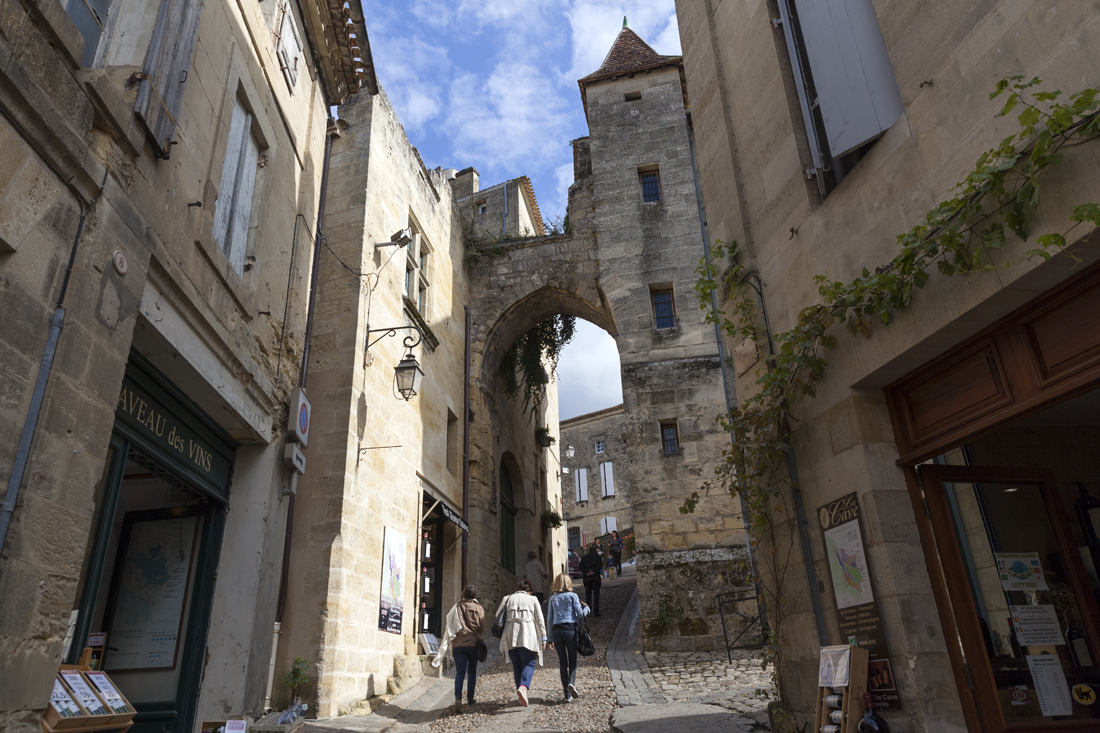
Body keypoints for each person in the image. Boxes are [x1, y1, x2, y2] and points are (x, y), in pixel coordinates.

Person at [495, 578, 547, 707]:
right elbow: (539, 619)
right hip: (527, 635)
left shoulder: (507, 598)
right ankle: (523, 687)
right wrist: (543, 637)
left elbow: (497, 615)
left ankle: (520, 695)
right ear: (530, 591)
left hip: (510, 635)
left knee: (517, 665)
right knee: (529, 662)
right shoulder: (533, 599)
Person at [432, 584, 485, 710]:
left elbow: (449, 623)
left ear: (463, 594)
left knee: (459, 672)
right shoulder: (478, 608)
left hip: (459, 645)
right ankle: (470, 698)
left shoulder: (456, 607)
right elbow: (482, 627)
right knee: (472, 672)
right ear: (475, 594)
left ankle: (457, 698)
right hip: (473, 644)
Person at [546, 573, 589, 703]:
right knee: (573, 659)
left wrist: (550, 638)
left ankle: (567, 694)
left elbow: (549, 619)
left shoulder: (553, 599)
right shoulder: (573, 596)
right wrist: (587, 608)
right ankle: (571, 682)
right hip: (570, 629)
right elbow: (580, 615)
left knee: (563, 662)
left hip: (557, 630)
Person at [579, 544, 603, 616]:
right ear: (595, 551)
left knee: (588, 594)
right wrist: (594, 571)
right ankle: (596, 611)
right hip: (595, 577)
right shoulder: (597, 557)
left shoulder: (584, 557)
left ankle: (588, 610)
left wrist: (586, 572)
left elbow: (580, 566)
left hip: (587, 578)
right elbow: (600, 565)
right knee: (596, 595)